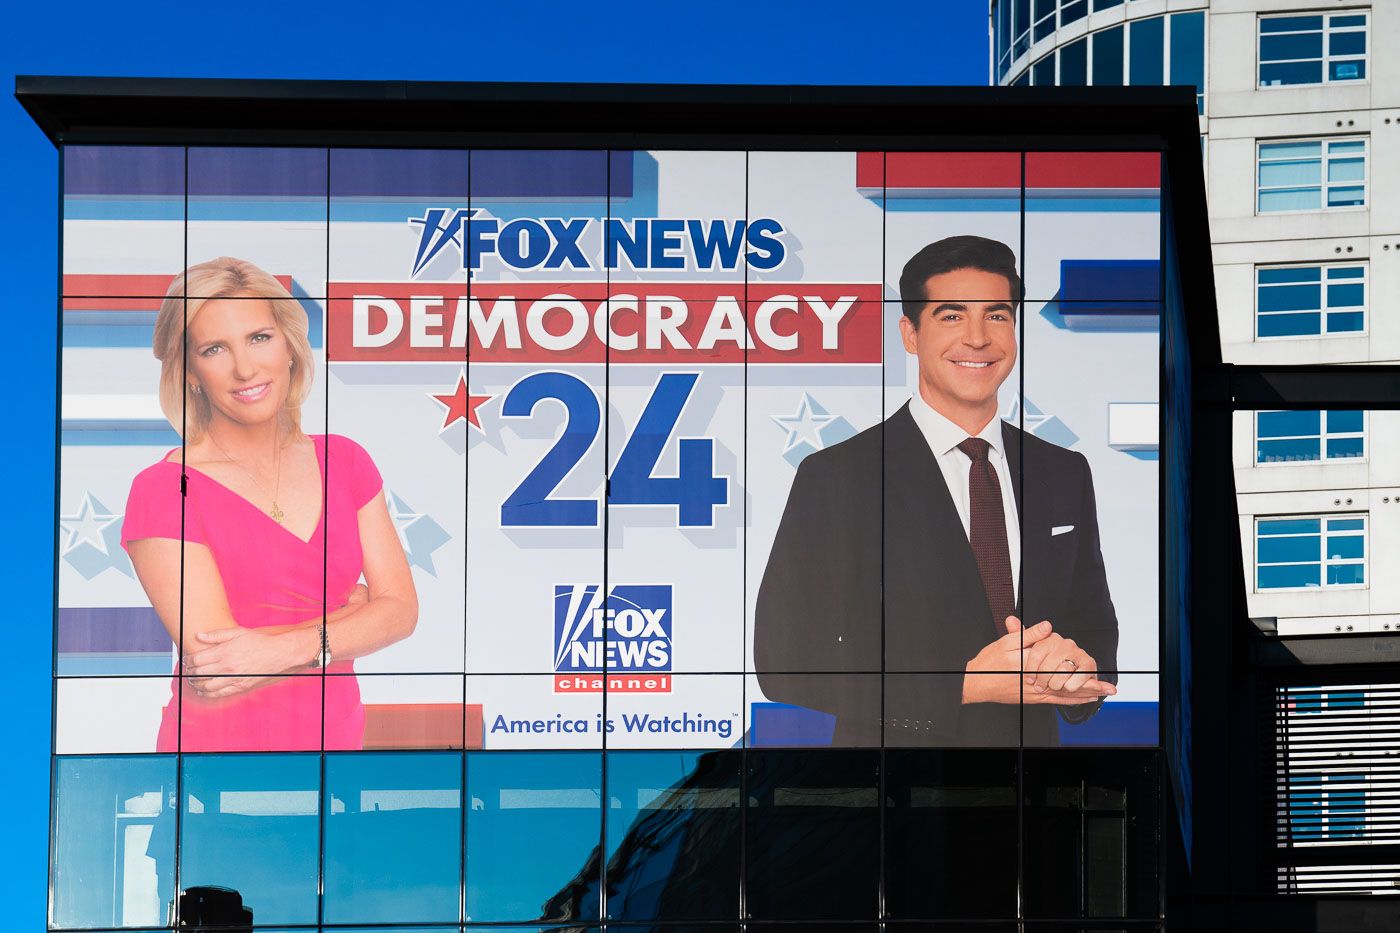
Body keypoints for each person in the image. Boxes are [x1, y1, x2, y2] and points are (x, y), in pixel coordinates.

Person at [754, 235, 1118, 747]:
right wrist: (964, 687)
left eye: (996, 316)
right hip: (890, 800)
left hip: (1035, 798)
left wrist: (1081, 670)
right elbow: (785, 661)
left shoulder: (1064, 471)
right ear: (910, 333)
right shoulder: (837, 475)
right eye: (951, 316)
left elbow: (1096, 627)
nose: (977, 338)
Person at [121, 257, 418, 752]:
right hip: (213, 778)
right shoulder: (165, 488)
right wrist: (348, 620)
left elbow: (402, 612)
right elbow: (220, 664)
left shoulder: (345, 461)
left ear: (290, 348)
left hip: (337, 764)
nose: (244, 368)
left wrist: (289, 644)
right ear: (191, 373)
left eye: (260, 337)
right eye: (215, 349)